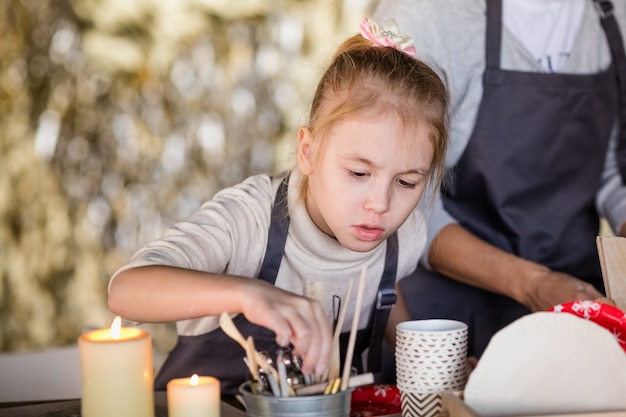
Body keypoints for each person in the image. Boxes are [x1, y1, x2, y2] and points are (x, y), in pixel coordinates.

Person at [107, 17, 449, 395]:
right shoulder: (249, 219)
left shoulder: (407, 235)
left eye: (406, 182)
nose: (380, 205)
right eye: (357, 173)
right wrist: (249, 294)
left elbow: (382, 284)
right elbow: (125, 290)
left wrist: (424, 359)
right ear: (308, 151)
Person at [372, 0, 626, 358]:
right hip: (444, 320)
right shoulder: (427, 14)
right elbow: (398, 195)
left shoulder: (616, 15)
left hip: (578, 312)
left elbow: (614, 168)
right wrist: (533, 282)